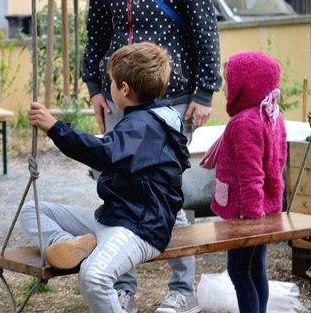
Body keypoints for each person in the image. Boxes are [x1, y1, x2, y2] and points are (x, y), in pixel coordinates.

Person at [82, 0, 221, 313]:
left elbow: (205, 34)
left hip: (172, 99)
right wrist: (95, 89)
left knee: (168, 189)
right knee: (121, 186)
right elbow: (96, 35)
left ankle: (183, 289)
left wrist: (204, 93)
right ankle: (122, 284)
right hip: (119, 98)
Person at [21, 42, 191, 313]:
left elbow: (105, 153)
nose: (108, 86)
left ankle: (79, 251)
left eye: (110, 81)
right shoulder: (146, 119)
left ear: (124, 88)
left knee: (94, 276)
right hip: (115, 216)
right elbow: (113, 149)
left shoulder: (144, 125)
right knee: (34, 210)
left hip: (139, 227)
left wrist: (55, 128)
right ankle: (64, 245)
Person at [205, 51, 287, 313]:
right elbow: (279, 161)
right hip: (265, 207)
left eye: (229, 82)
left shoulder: (244, 122)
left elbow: (251, 172)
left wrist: (251, 220)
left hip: (247, 213)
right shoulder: (273, 115)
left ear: (247, 84)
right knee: (256, 269)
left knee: (239, 272)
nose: (225, 89)